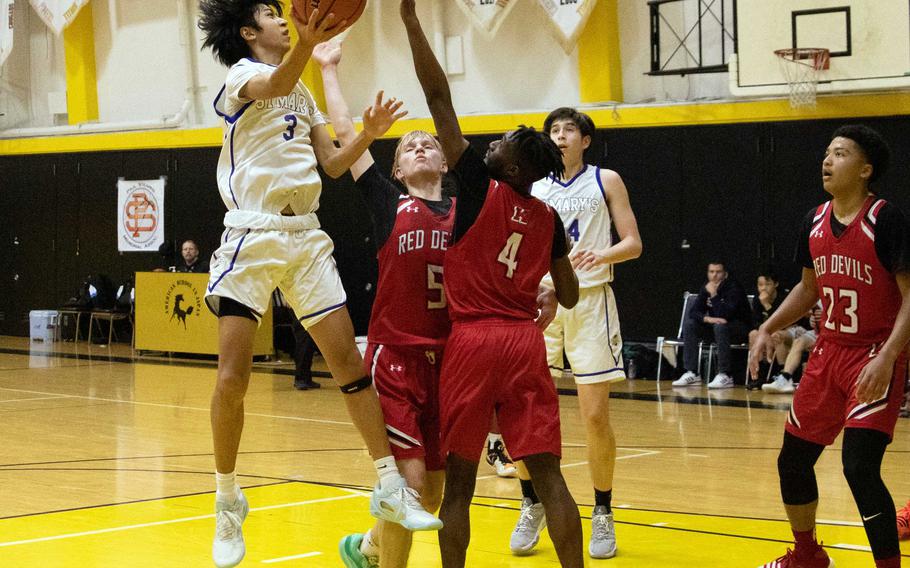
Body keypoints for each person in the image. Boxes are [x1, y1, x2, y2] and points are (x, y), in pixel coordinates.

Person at [196, 3, 440, 567]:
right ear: (247, 32)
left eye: (289, 14)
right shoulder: (241, 78)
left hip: (305, 235)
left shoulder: (303, 95)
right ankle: (228, 500)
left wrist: (370, 136)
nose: (286, 19)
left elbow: (332, 163)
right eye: (272, 14)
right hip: (252, 234)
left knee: (348, 369)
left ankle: (388, 485)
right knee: (234, 377)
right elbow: (278, 78)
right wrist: (309, 43)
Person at [401, 2, 584, 567]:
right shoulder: (548, 219)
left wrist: (410, 20)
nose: (491, 144)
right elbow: (571, 294)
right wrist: (549, 292)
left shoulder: (481, 188)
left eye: (501, 142)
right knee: (549, 474)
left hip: (473, 342)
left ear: (510, 167)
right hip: (525, 342)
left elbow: (438, 100)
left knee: (460, 483)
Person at [311, 40, 448, 568]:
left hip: (449, 359)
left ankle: (368, 546)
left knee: (431, 495)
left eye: (426, 144)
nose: (418, 147)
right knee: (410, 488)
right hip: (396, 359)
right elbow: (346, 133)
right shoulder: (391, 203)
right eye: (408, 146)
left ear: (442, 159)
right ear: (395, 169)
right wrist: (329, 69)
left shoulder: (465, 210)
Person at [751, 124, 910, 568]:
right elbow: (808, 290)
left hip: (874, 353)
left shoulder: (885, 219)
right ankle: (807, 555)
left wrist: (891, 357)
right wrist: (768, 327)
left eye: (839, 153)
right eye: (826, 152)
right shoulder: (815, 221)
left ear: (865, 170)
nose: (827, 160)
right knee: (792, 462)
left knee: (859, 468)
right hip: (827, 353)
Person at [507, 106, 642, 559]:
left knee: (595, 416)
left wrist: (602, 256)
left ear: (585, 140)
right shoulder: (532, 187)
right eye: (553, 130)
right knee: (524, 412)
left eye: (569, 130)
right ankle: (531, 503)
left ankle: (602, 511)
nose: (560, 136)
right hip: (539, 304)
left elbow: (634, 244)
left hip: (591, 301)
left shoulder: (607, 180)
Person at [672, 260, 751, 389]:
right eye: (711, 272)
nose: (714, 275)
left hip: (739, 329)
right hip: (717, 327)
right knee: (690, 324)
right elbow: (693, 312)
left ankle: (725, 374)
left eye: (718, 272)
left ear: (725, 274)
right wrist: (708, 319)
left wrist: (714, 295)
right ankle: (692, 372)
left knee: (720, 326)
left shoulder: (734, 288)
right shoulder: (707, 286)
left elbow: (725, 315)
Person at [762, 303, 821, 394]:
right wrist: (812, 320)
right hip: (817, 332)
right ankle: (785, 377)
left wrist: (825, 319)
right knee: (797, 341)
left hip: (834, 334)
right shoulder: (817, 294)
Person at [746, 269, 790, 390]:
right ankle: (758, 376)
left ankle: (783, 376)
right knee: (753, 334)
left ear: (776, 284)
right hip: (767, 333)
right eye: (760, 285)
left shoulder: (784, 297)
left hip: (787, 330)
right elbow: (755, 322)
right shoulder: (756, 299)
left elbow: (783, 322)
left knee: (777, 334)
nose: (763, 288)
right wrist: (762, 333)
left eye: (767, 284)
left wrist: (766, 305)